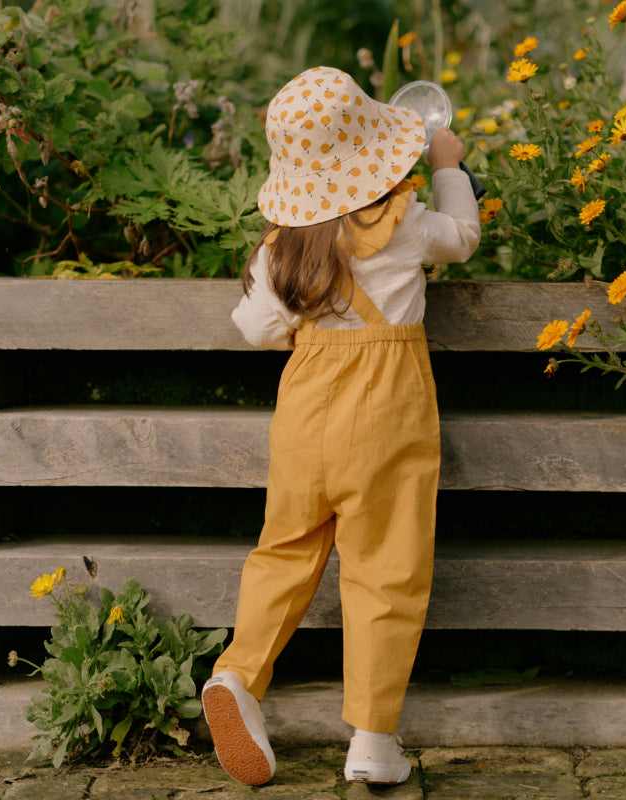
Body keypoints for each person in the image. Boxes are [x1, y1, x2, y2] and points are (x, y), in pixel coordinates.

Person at [201, 65, 480, 787]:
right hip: (386, 417)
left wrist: (275, 288)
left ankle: (237, 677)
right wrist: (448, 164)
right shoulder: (406, 222)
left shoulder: (282, 247)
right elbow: (465, 237)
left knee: (283, 550)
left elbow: (258, 330)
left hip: (305, 418)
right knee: (384, 570)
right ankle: (372, 741)